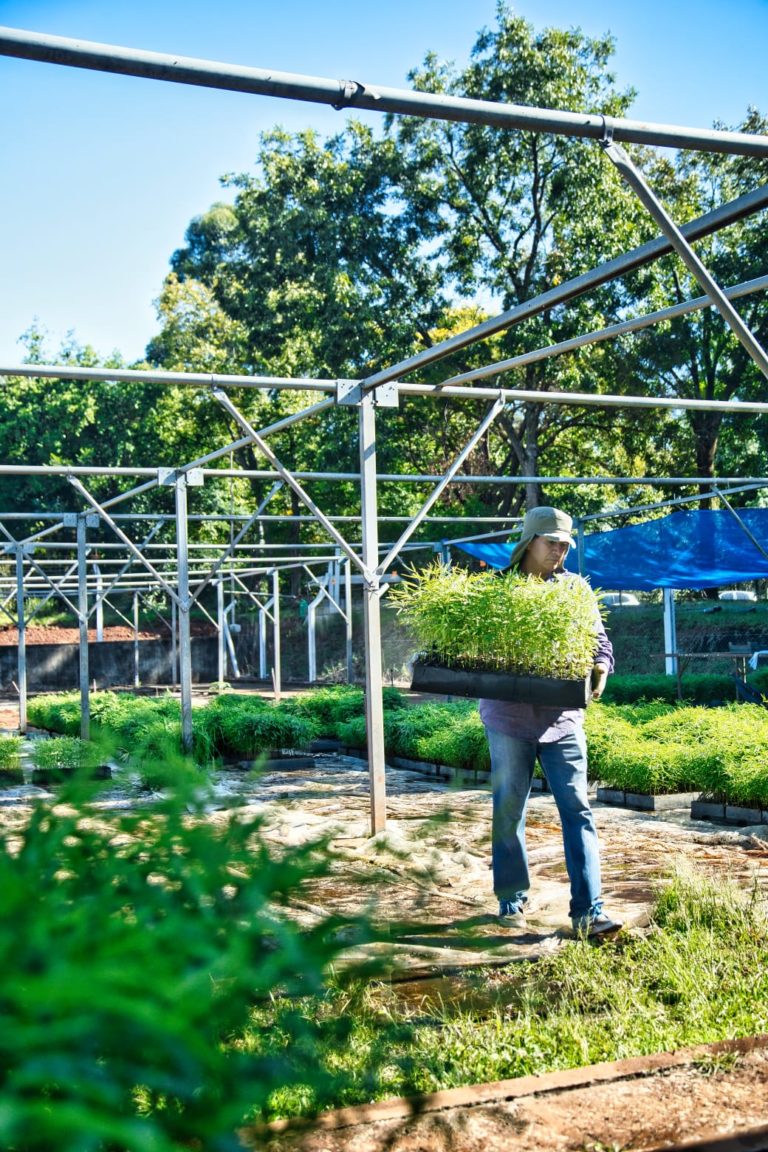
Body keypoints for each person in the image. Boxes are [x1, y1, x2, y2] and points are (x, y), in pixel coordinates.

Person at [479, 506, 622, 938]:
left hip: (562, 718)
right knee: (508, 811)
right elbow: (466, 640)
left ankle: (589, 910)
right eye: (552, 542)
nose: (559, 550)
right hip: (507, 718)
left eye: (565, 544)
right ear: (529, 542)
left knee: (578, 809)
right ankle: (511, 898)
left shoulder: (575, 590)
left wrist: (601, 663)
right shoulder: (496, 592)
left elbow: (599, 639)